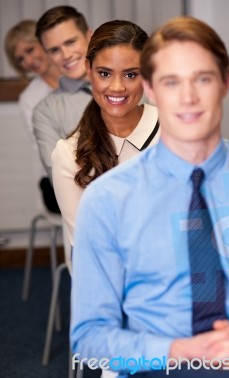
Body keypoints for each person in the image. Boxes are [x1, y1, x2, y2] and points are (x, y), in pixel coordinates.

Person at [71, 16, 229, 378]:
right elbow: (89, 337)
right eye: (171, 82)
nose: (188, 97)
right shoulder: (107, 200)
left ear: (226, 82)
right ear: (152, 88)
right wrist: (182, 351)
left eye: (202, 79)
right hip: (163, 368)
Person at [51, 20, 160, 246]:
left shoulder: (176, 129)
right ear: (88, 71)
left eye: (130, 75)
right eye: (105, 73)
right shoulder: (69, 153)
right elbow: (90, 245)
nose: (117, 87)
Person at [5, 20, 61, 213]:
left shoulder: (82, 76)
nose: (28, 61)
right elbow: (46, 149)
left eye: (29, 50)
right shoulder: (29, 98)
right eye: (20, 59)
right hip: (54, 181)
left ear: (44, 41)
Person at [32, 6, 93, 181]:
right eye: (54, 50)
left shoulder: (135, 84)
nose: (65, 55)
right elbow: (60, 179)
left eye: (70, 42)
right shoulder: (46, 112)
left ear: (90, 36)